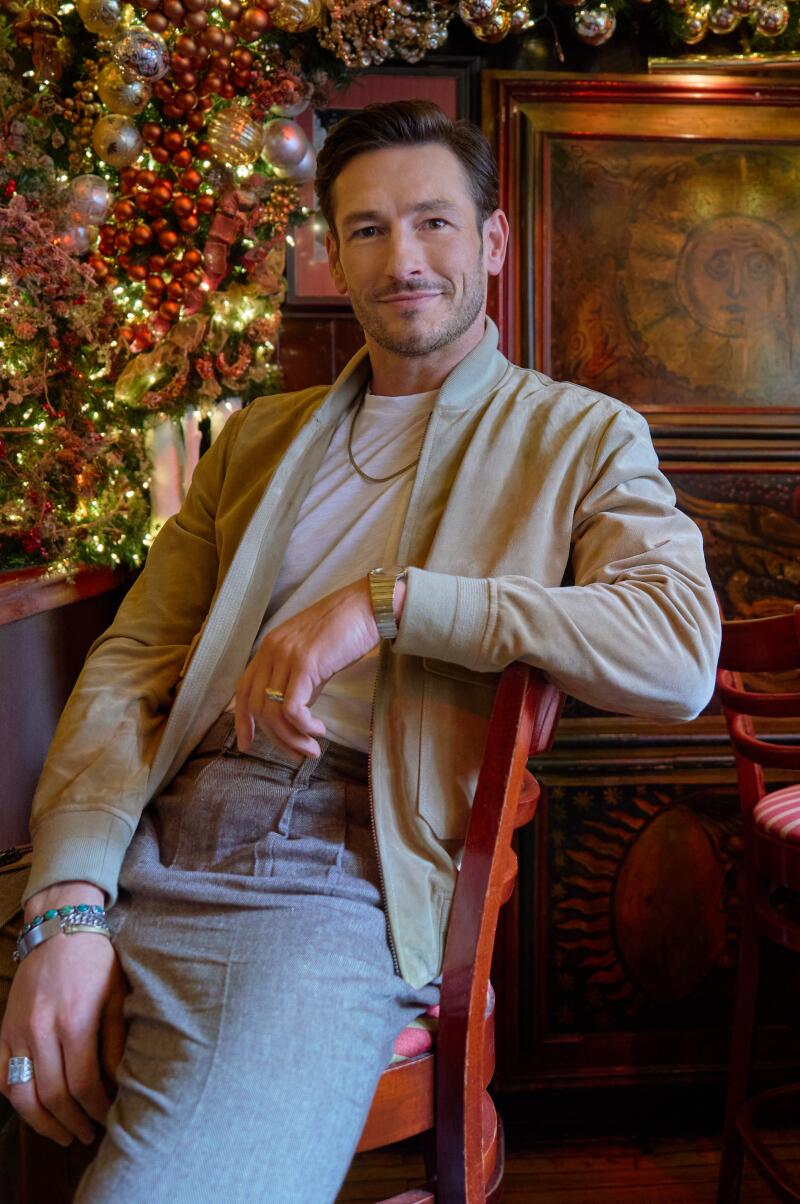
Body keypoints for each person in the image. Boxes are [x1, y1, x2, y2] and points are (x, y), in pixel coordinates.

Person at [0, 100, 721, 1202]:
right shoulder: (257, 436)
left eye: (432, 221)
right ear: (333, 256)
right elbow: (131, 662)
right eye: (368, 230)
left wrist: (390, 602)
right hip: (151, 824)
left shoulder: (580, 433)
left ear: (488, 242)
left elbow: (675, 657)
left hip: (330, 864)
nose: (403, 258)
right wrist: (67, 901)